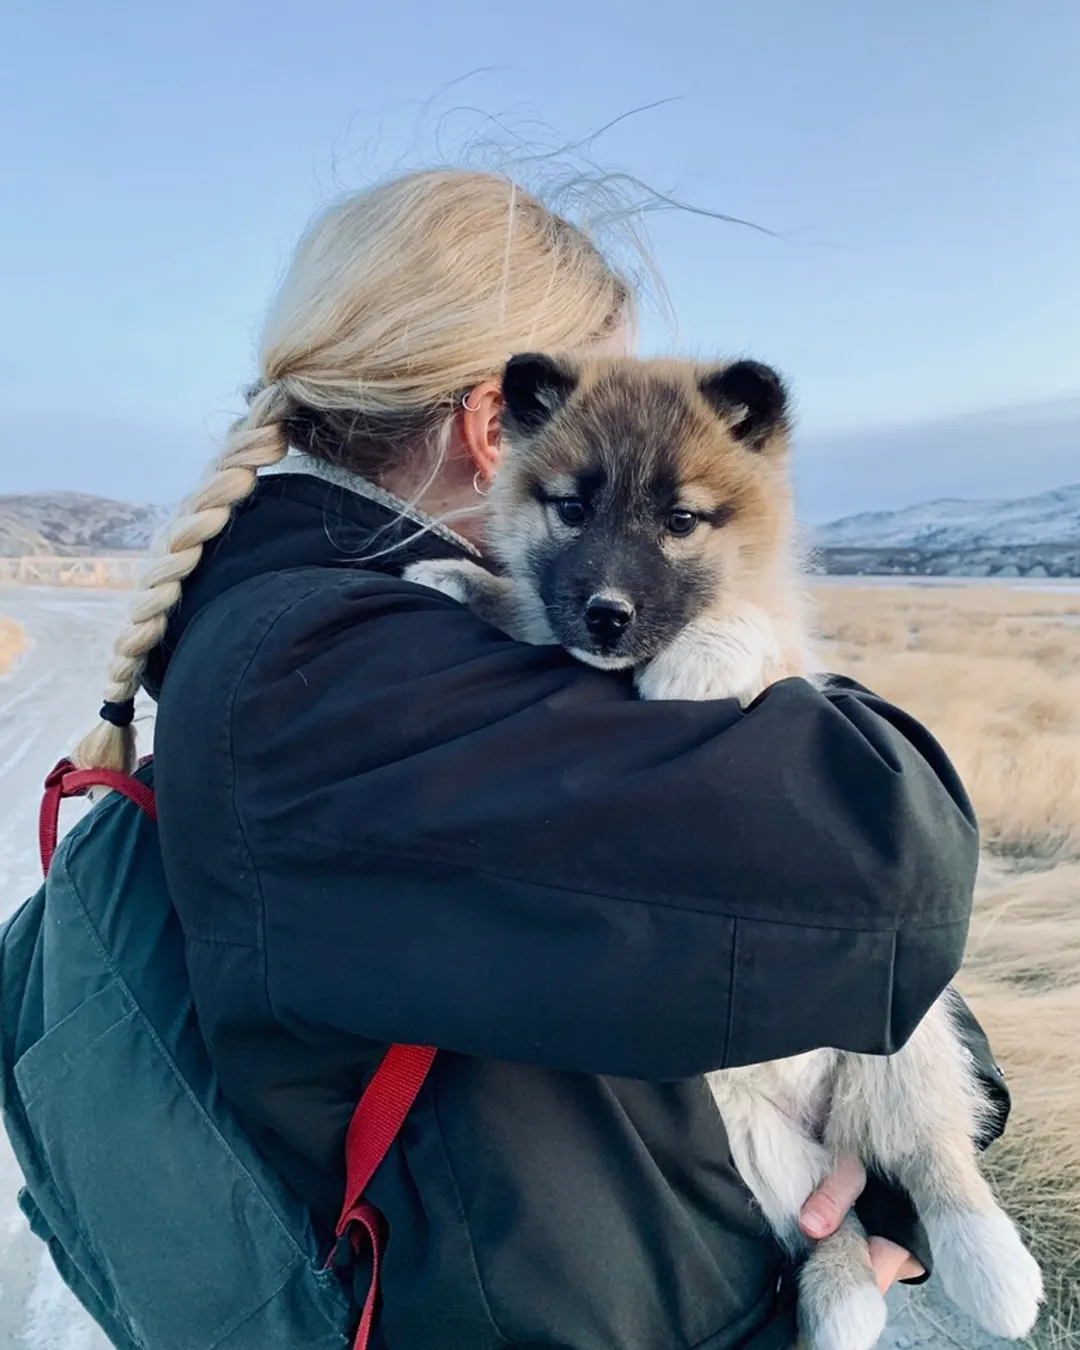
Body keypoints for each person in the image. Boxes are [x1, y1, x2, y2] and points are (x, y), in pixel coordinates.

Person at [72, 167, 1006, 1349]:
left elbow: (774, 946)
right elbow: (887, 881)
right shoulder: (338, 674)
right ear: (492, 427)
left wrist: (898, 1153)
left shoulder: (342, 640)